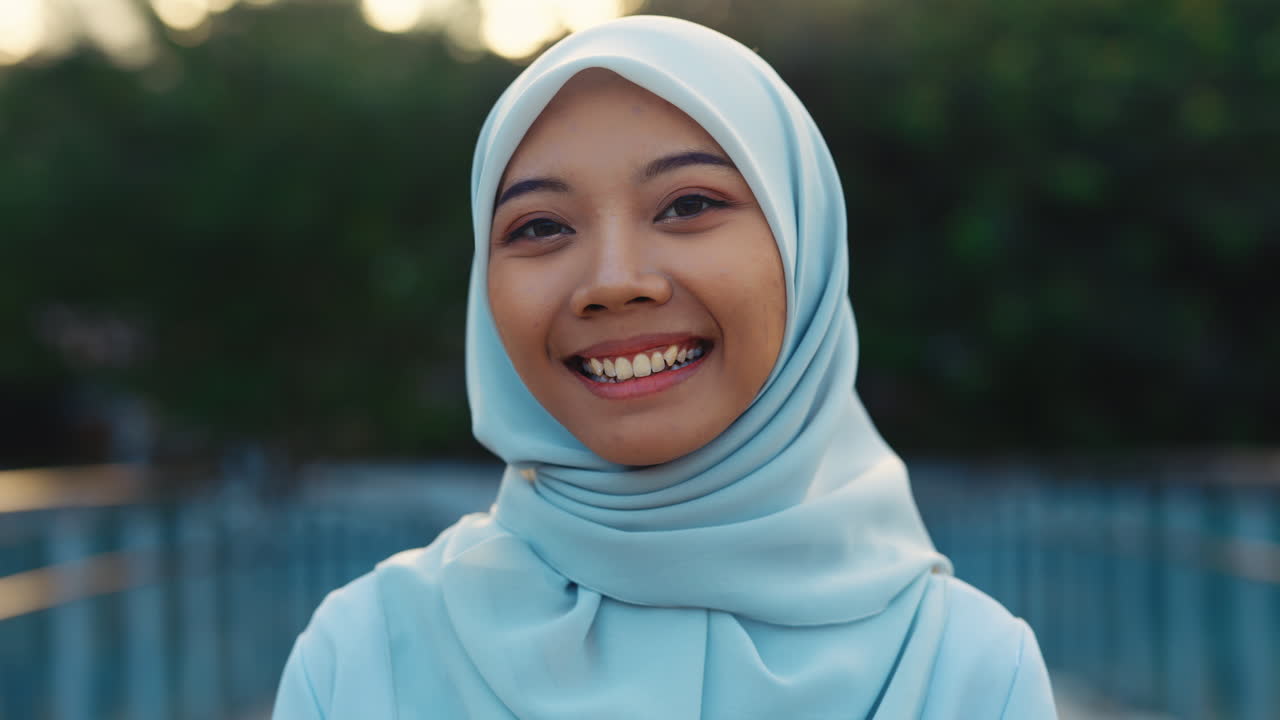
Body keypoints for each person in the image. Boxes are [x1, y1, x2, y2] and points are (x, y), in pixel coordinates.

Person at [273, 15, 1056, 719]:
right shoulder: (363, 657)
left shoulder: (968, 671)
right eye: (541, 226)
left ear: (802, 248)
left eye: (688, 205)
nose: (615, 281)